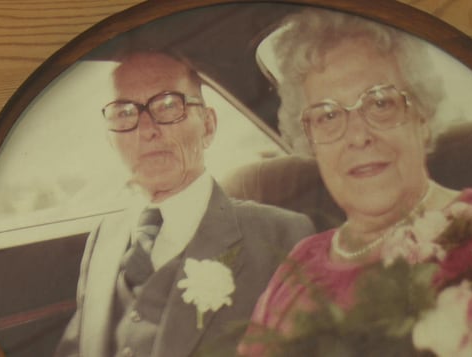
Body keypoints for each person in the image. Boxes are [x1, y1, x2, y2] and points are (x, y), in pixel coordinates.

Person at [239, 9, 472, 357]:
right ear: (310, 141)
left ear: (421, 117)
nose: (358, 136)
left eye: (380, 103)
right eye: (328, 115)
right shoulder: (300, 264)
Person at [54, 51, 315, 357]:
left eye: (168, 106)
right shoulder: (103, 236)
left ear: (208, 125)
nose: (146, 129)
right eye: (124, 113)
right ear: (111, 138)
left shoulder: (282, 235)